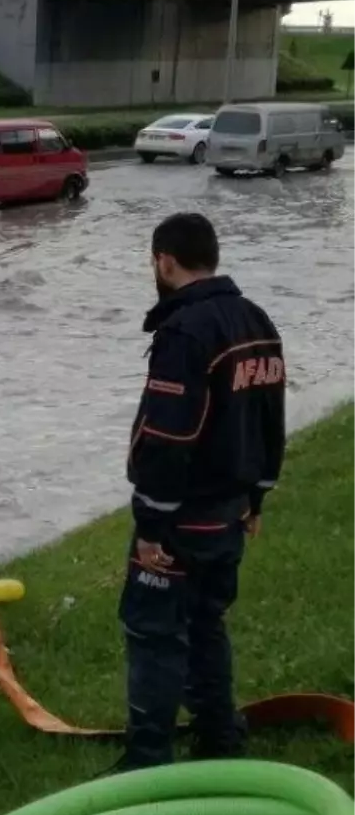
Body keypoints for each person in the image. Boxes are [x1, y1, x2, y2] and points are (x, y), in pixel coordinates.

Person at [117, 212, 285, 770]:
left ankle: (147, 759)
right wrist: (257, 497)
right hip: (231, 513)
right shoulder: (256, 319)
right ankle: (220, 735)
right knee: (208, 622)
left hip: (183, 518)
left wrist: (150, 527)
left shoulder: (185, 333)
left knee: (154, 632)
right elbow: (271, 420)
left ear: (164, 261)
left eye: (153, 262)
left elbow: (167, 437)